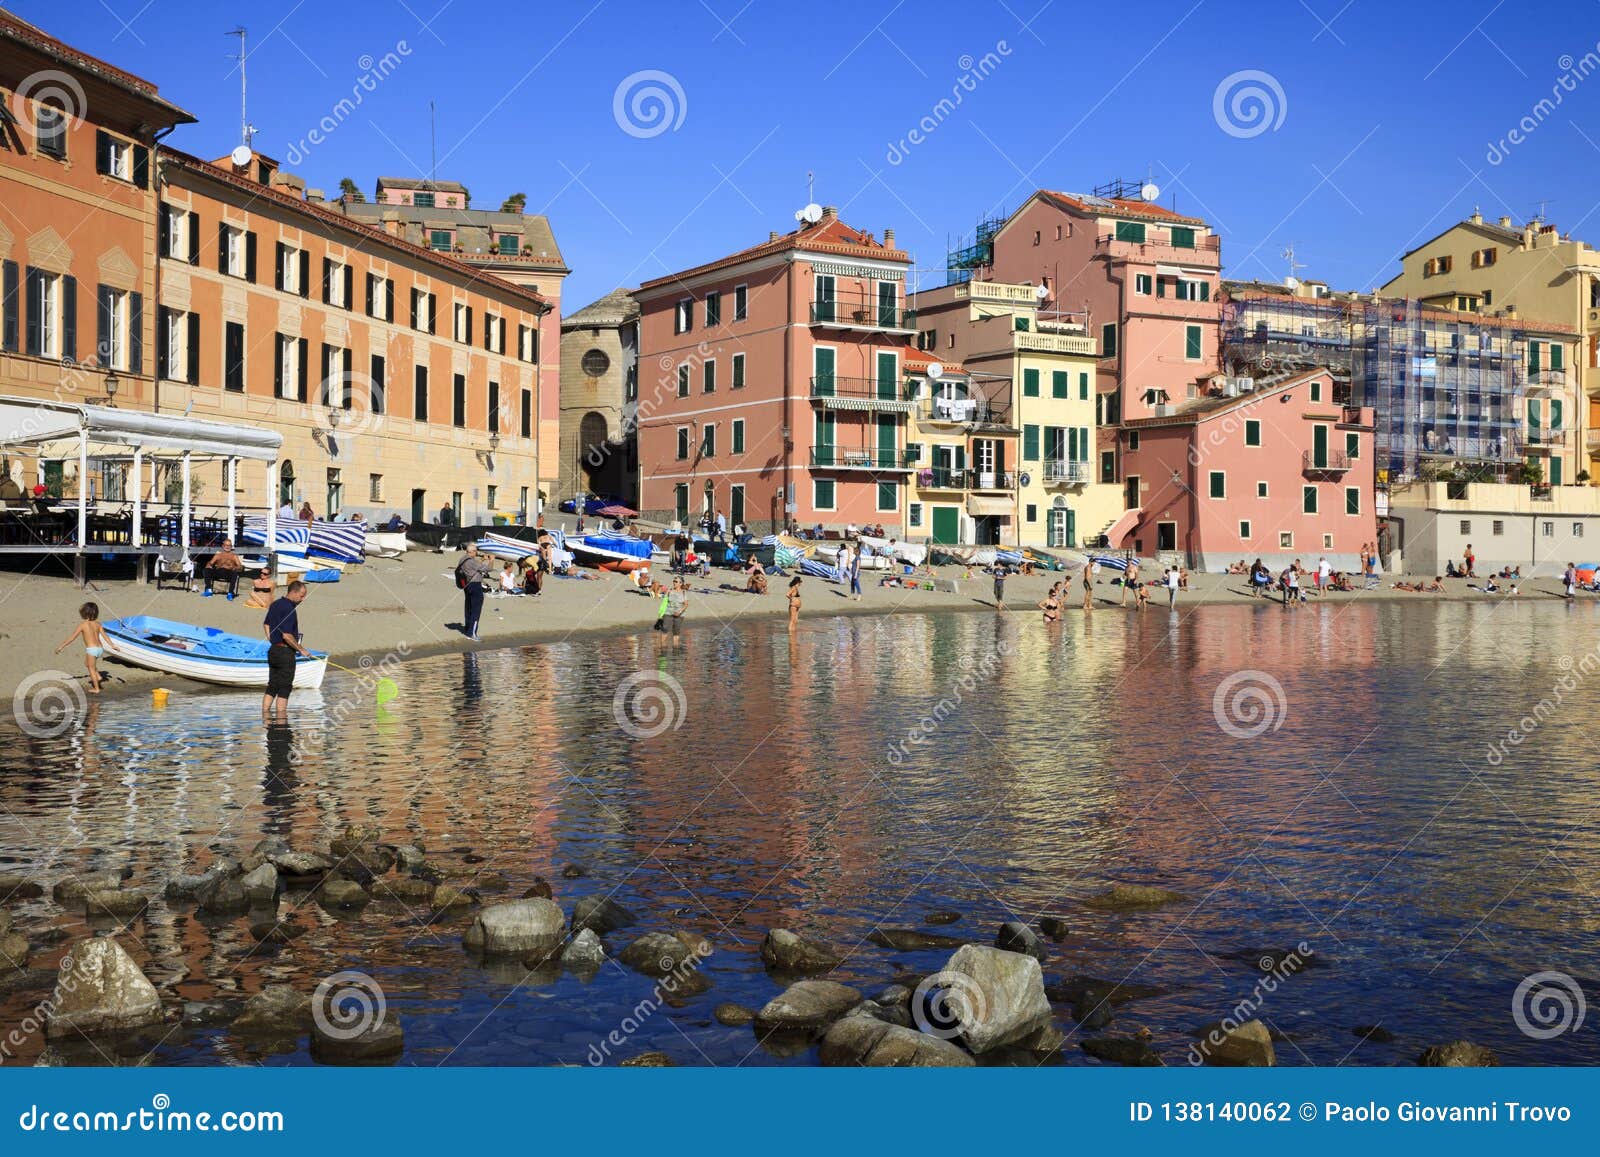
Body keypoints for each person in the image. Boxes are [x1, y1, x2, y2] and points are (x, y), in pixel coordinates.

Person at [262, 580, 312, 723]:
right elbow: (287, 635)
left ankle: (265, 721)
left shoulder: (276, 604)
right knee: (284, 688)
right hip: (285, 653)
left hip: (274, 651)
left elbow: (266, 624)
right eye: (302, 596)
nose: (302, 599)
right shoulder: (290, 608)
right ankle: (281, 726)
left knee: (272, 685)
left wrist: (272, 640)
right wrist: (302, 650)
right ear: (294, 592)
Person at [55, 601, 107, 694]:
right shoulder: (98, 624)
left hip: (92, 649)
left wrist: (61, 646)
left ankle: (96, 688)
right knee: (87, 663)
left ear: (83, 613)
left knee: (91, 668)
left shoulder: (83, 625)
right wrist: (112, 646)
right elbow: (105, 636)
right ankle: (98, 676)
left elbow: (72, 638)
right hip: (100, 648)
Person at [456, 543, 491, 640]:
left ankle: (468, 629)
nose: (476, 553)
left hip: (467, 585)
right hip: (475, 586)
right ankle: (472, 633)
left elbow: (473, 568)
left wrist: (482, 560)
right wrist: (491, 560)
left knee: (469, 607)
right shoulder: (471, 561)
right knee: (476, 610)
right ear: (471, 552)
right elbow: (489, 568)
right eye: (475, 551)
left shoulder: (463, 559)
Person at [666, 577, 688, 644]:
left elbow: (686, 604)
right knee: (665, 629)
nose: (674, 582)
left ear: (681, 583)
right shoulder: (670, 591)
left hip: (679, 614)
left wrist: (679, 612)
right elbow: (665, 601)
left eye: (676, 581)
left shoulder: (683, 592)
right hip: (669, 612)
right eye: (674, 581)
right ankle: (663, 649)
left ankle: (675, 649)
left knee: (676, 632)